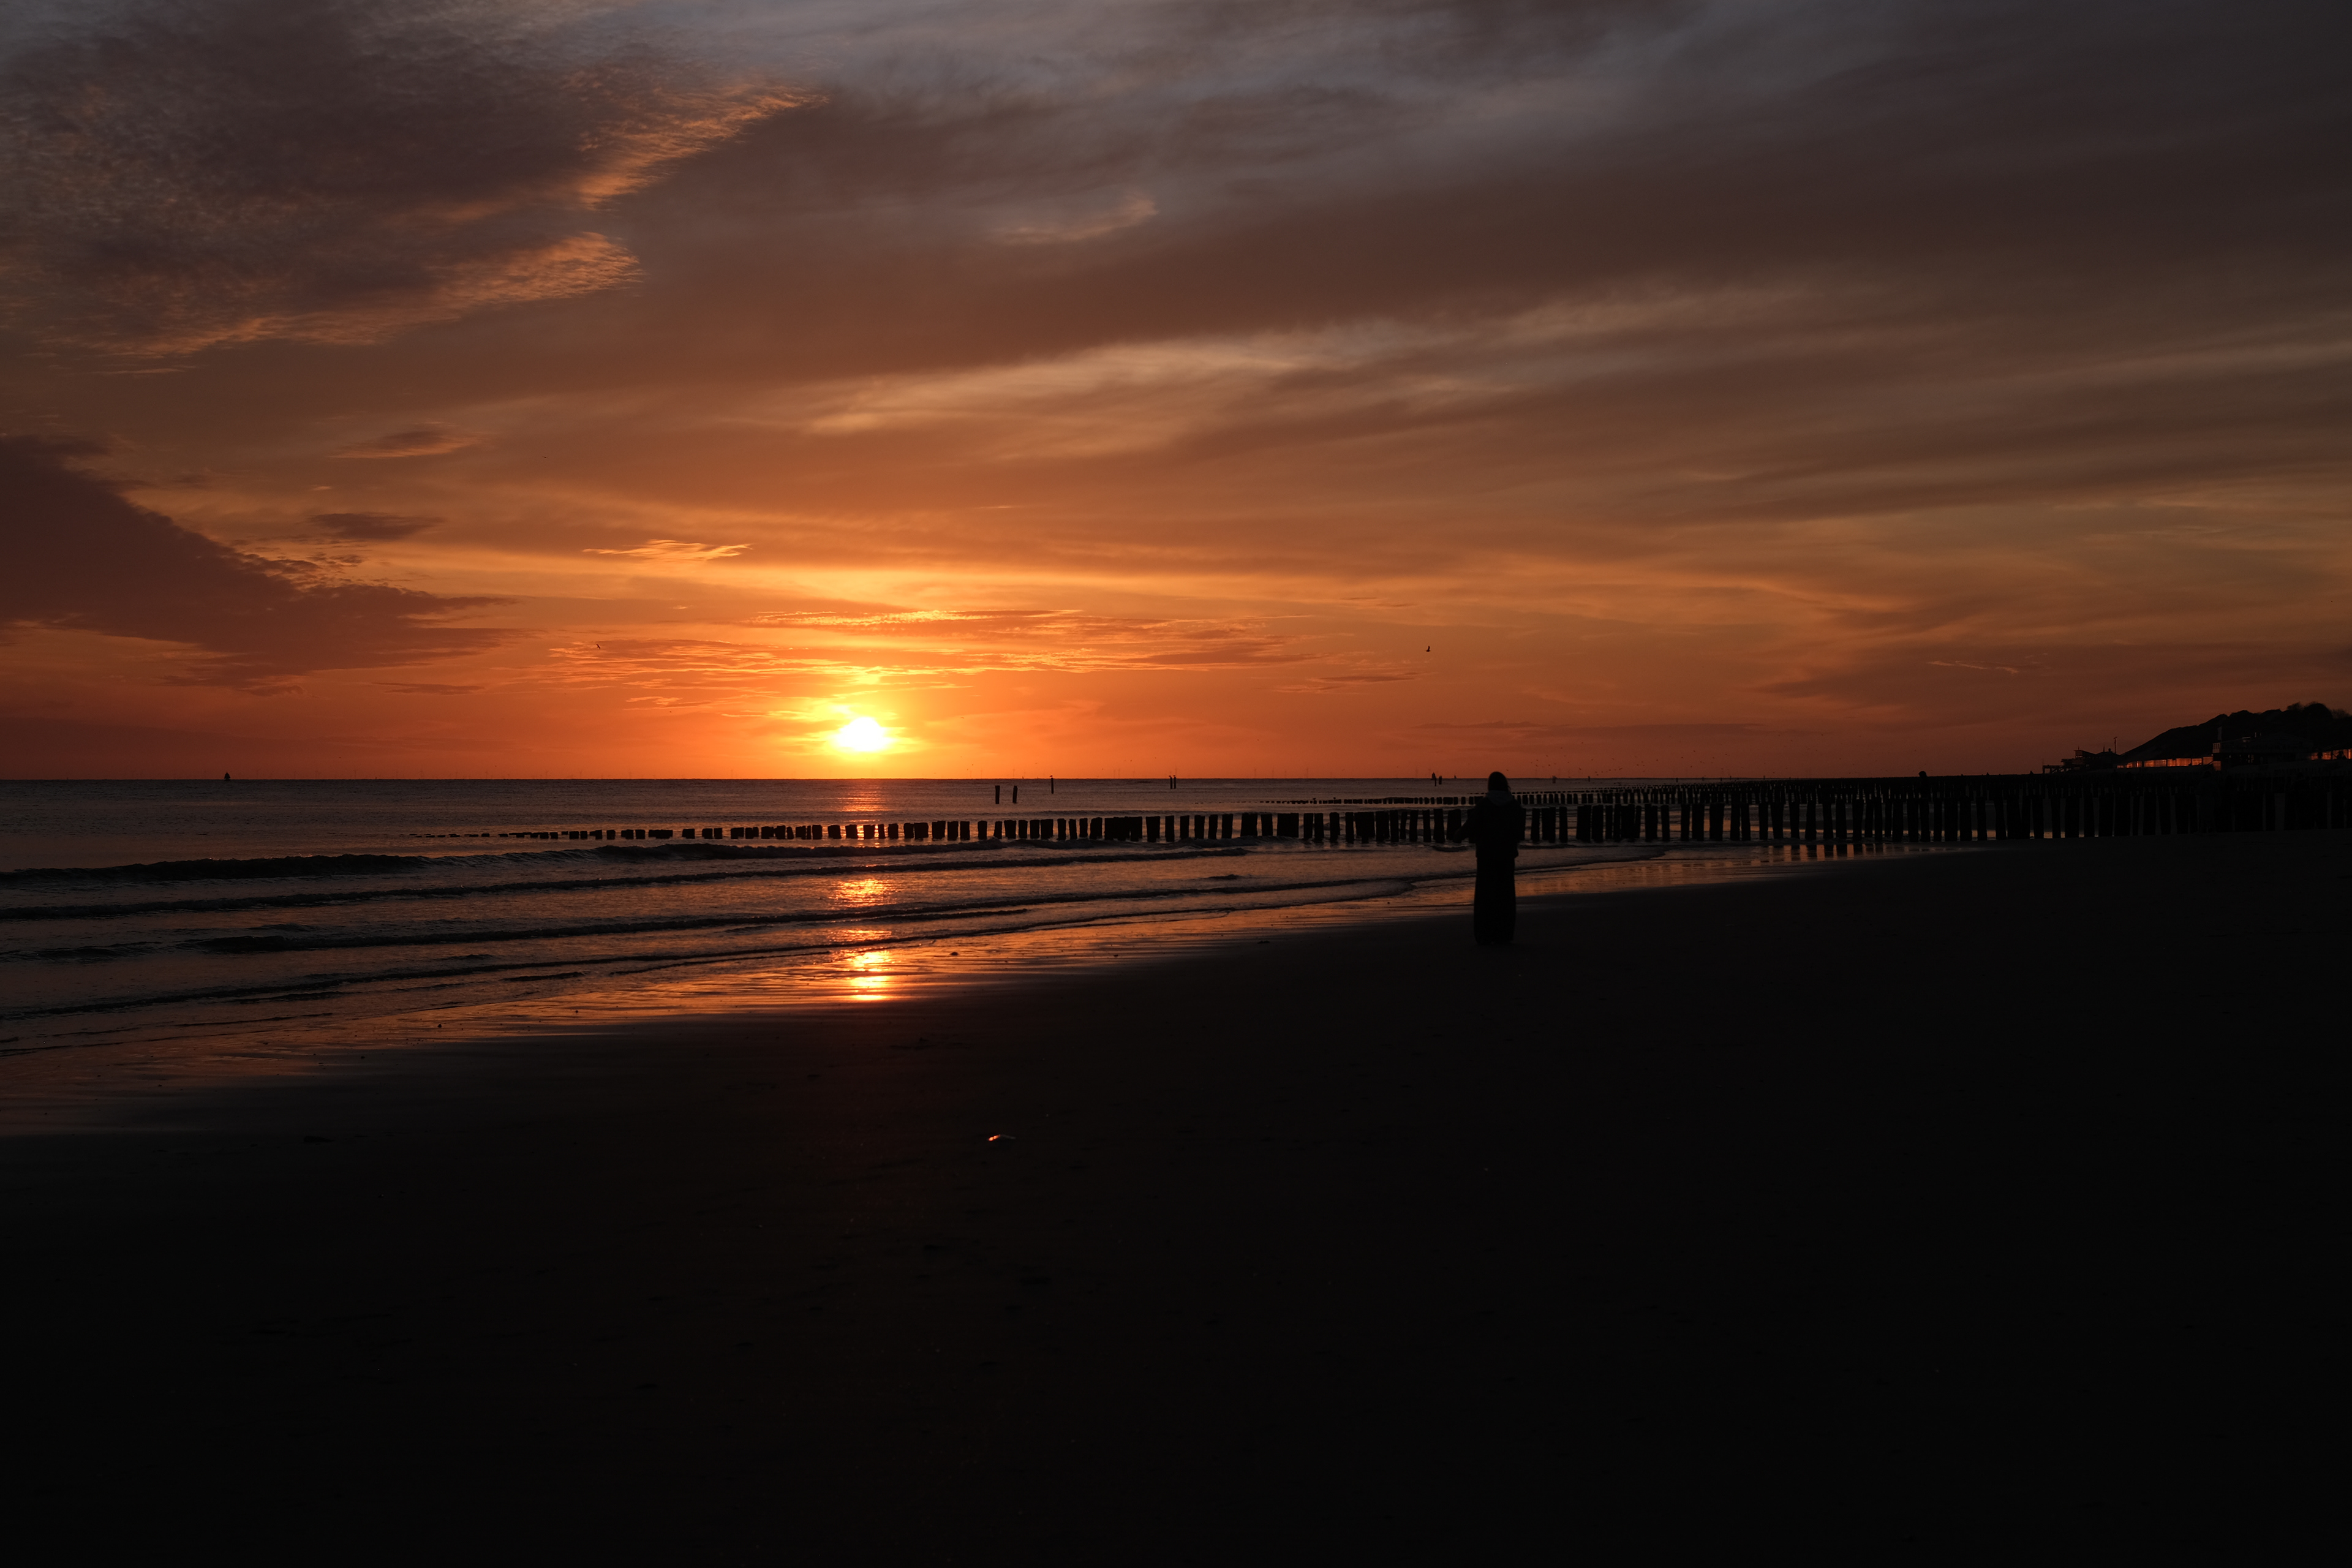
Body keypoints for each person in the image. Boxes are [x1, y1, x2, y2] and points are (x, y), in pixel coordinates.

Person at [1455, 771, 1525, 945]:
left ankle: (1485, 934)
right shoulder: (1514, 806)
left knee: (1486, 896)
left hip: (1487, 856)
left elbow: (1470, 826)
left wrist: (1458, 836)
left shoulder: (1484, 805)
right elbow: (1520, 833)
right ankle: (1505, 933)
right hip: (1507, 856)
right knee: (1506, 895)